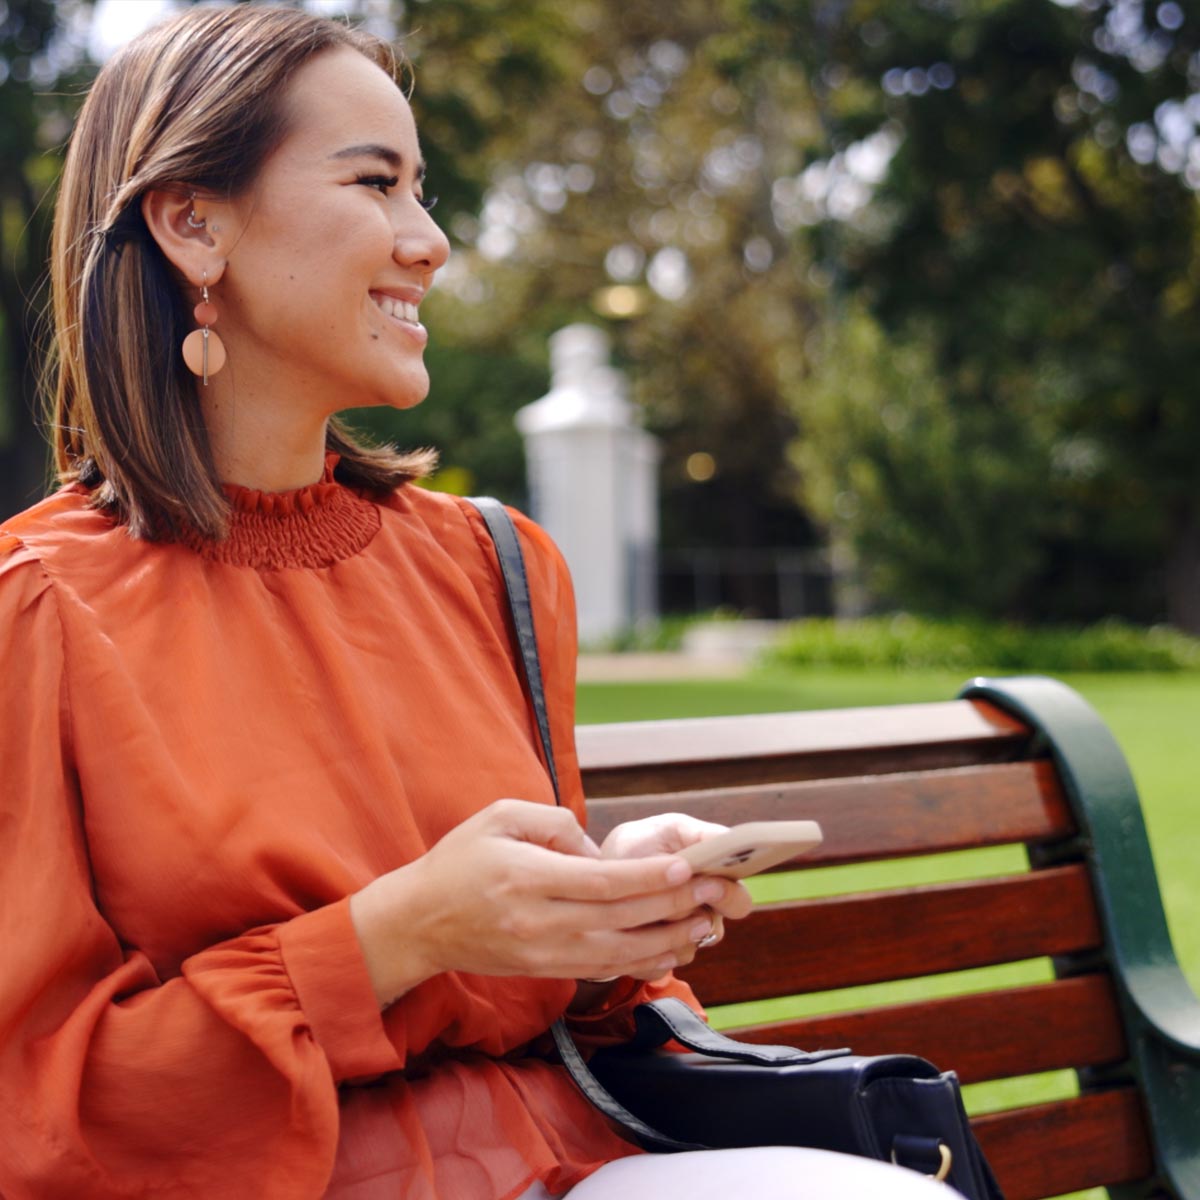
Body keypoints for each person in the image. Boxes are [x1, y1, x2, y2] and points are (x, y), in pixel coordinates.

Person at [0, 6, 960, 1198]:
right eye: (377, 184)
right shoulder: (35, 614)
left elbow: (573, 1017)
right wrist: (400, 934)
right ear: (194, 222)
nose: (430, 244)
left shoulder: (490, 563)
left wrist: (611, 909)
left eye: (425, 192)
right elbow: (43, 1115)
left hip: (576, 1163)